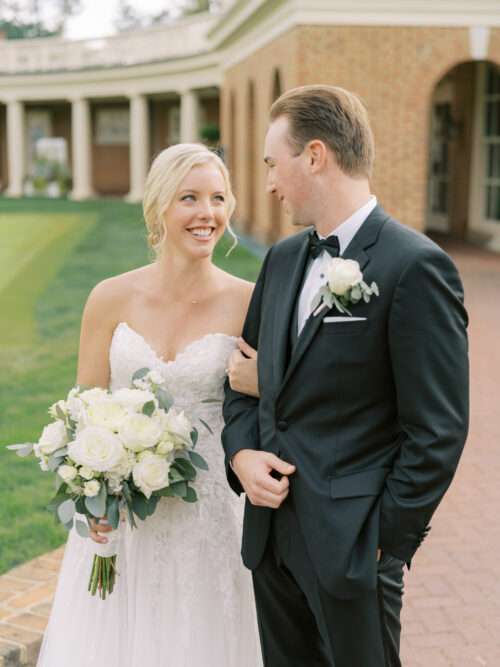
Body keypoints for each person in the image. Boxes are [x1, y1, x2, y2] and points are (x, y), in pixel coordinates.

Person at [223, 85, 469, 667]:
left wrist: (382, 541)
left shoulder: (415, 267)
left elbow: (437, 430)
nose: (268, 184)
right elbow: (239, 380)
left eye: (271, 165)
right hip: (270, 542)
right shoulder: (282, 259)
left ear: (314, 156)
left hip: (353, 552)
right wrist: (241, 456)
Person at [37, 143, 262, 667]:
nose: (207, 213)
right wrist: (91, 494)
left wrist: (262, 381)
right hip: (126, 522)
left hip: (214, 514)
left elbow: (270, 408)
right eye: (190, 198)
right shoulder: (109, 297)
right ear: (159, 206)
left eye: (218, 198)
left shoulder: (250, 301)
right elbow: (85, 409)